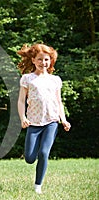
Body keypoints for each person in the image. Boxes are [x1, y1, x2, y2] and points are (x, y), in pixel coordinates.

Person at [17, 43, 71, 194]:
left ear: (50, 61)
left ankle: (38, 186)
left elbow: (59, 102)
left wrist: (63, 119)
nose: (43, 63)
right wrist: (23, 118)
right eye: (40, 59)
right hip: (33, 122)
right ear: (33, 60)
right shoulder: (27, 78)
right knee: (29, 158)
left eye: (46, 60)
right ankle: (32, 164)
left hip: (51, 121)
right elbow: (21, 101)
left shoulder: (55, 80)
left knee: (44, 153)